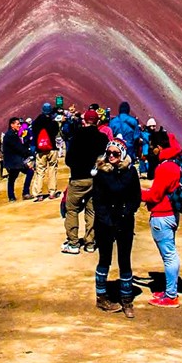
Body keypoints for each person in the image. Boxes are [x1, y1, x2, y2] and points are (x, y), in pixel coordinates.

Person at [92, 139, 142, 318]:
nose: (111, 156)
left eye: (115, 153)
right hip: (105, 222)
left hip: (125, 221)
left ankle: (126, 299)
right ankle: (102, 297)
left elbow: (136, 197)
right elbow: (97, 201)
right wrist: (106, 220)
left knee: (124, 259)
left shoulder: (131, 172)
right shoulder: (101, 173)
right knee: (104, 258)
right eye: (109, 153)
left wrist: (126, 212)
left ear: (123, 155)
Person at [142, 134, 182, 307]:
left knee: (169, 256)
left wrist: (135, 192)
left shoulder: (165, 168)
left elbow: (155, 195)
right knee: (170, 253)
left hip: (162, 215)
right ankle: (169, 290)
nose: (152, 150)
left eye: (153, 146)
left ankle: (171, 296)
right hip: (172, 213)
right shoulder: (177, 164)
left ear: (159, 146)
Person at [62, 109, 108, 255]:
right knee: (91, 210)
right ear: (97, 122)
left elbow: (68, 160)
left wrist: (77, 167)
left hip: (77, 179)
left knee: (72, 209)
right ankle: (90, 243)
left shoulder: (76, 137)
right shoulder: (102, 138)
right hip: (96, 180)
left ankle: (73, 243)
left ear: (84, 121)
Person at [30, 102, 61, 201]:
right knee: (52, 170)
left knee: (40, 171)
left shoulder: (36, 122)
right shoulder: (53, 122)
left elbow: (33, 132)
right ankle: (52, 192)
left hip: (40, 150)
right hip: (52, 148)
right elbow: (56, 132)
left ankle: (38, 194)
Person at [3, 117, 34, 201]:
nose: (19, 125)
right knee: (29, 172)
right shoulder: (10, 135)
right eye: (17, 124)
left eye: (20, 124)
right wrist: (30, 153)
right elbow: (19, 148)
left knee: (12, 178)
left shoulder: (13, 134)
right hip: (14, 161)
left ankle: (12, 197)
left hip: (14, 161)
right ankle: (25, 193)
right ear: (12, 125)